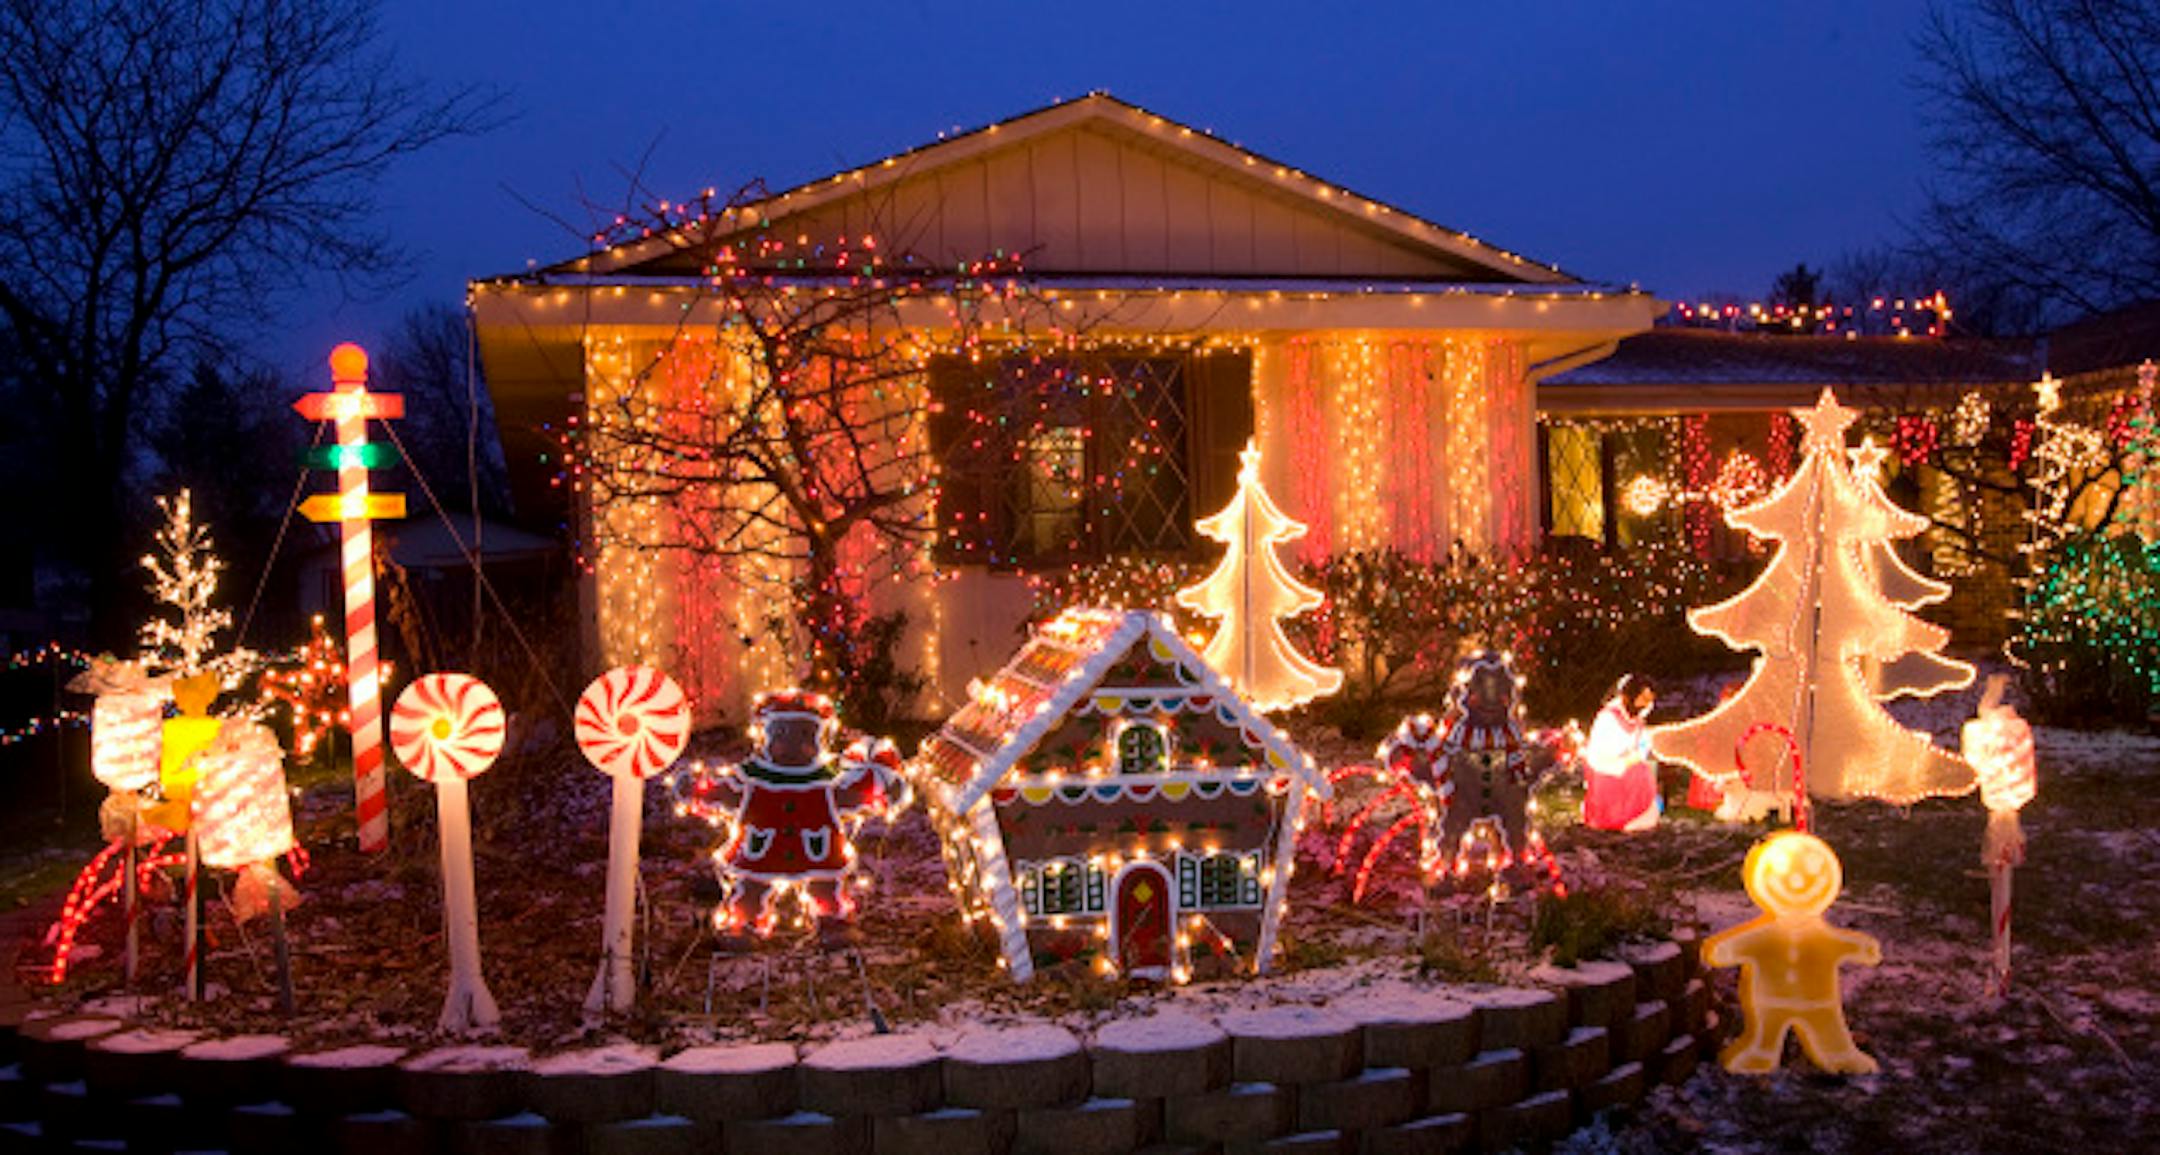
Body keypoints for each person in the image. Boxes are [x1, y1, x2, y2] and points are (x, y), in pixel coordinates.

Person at [1582, 674, 1661, 832]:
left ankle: (1636, 816)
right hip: (1607, 770)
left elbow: (1641, 743)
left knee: (1644, 771)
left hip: (1629, 767)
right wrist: (1626, 759)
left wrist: (1638, 752)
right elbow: (1600, 753)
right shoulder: (1608, 718)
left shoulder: (1638, 719)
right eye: (1643, 698)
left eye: (1649, 699)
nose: (1645, 704)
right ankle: (1616, 817)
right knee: (1638, 772)